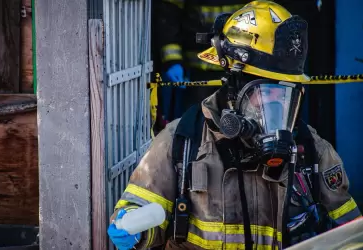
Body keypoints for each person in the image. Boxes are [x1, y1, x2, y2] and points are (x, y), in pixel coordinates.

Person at [108, 1, 362, 249]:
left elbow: (350, 234)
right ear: (235, 85)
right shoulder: (182, 141)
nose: (276, 102)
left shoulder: (313, 150)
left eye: (286, 93)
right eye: (265, 90)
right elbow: (138, 209)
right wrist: (134, 229)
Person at [153, 0, 249, 126]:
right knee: (196, 128)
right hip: (198, 72)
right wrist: (173, 60)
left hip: (243, 69)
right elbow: (169, 15)